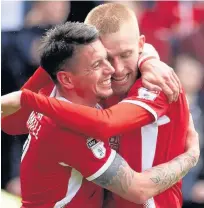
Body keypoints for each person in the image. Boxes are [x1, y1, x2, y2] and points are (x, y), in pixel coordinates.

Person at [4, 3, 200, 208]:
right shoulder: (89, 94)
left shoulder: (158, 84)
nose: (116, 69)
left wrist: (148, 59)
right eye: (104, 59)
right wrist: (190, 157)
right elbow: (11, 123)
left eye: (125, 55)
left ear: (141, 45)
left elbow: (105, 123)